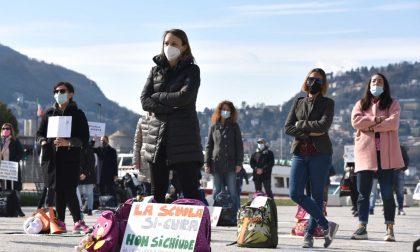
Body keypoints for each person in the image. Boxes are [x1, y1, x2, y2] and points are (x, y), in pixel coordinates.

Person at [140, 28, 203, 203]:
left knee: (189, 190)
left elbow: (184, 98)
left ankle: (196, 228)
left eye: (174, 43)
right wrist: (171, 107)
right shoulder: (155, 71)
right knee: (157, 192)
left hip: (184, 139)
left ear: (184, 46)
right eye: (166, 43)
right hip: (157, 139)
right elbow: (145, 101)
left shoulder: (192, 71)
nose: (169, 47)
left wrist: (158, 97)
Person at [284, 68, 338, 248]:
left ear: (323, 84)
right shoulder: (298, 101)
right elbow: (288, 127)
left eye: (318, 80)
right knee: (295, 193)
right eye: (311, 78)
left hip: (320, 154)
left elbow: (324, 126)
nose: (313, 82)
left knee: (316, 196)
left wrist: (302, 125)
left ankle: (309, 235)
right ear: (306, 80)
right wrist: (310, 132)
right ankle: (326, 225)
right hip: (300, 152)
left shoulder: (328, 103)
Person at [350, 73, 405, 242]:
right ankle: (362, 227)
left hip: (386, 156)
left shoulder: (393, 103)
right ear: (369, 84)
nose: (376, 83)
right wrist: (378, 120)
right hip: (365, 155)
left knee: (388, 194)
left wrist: (371, 126)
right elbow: (356, 121)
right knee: (363, 194)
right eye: (374, 81)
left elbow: (393, 123)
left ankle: (389, 228)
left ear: (385, 85)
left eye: (380, 81)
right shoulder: (360, 104)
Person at [36, 81, 91, 233]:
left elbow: (84, 137)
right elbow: (39, 134)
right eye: (56, 91)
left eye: (62, 91)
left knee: (69, 188)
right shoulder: (49, 114)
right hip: (52, 158)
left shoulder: (78, 114)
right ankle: (60, 221)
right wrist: (43, 142)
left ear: (71, 94)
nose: (58, 94)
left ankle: (78, 221)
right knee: (58, 189)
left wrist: (69, 142)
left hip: (70, 157)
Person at [204, 100, 244, 214]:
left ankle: (235, 214)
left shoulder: (235, 127)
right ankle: (214, 215)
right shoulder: (213, 127)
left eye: (228, 110)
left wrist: (239, 163)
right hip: (216, 163)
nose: (225, 112)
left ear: (231, 112)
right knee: (216, 190)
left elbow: (239, 146)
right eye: (224, 109)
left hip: (231, 164)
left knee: (232, 191)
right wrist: (207, 163)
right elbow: (209, 146)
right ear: (219, 111)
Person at [0, 122, 25, 217]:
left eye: (7, 128)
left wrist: (13, 162)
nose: (5, 130)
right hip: (2, 169)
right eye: (3, 128)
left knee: (14, 190)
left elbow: (20, 153)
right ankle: (3, 210)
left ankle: (18, 210)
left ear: (11, 131)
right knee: (2, 190)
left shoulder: (15, 141)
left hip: (11, 169)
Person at [132, 116, 151, 195]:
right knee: (147, 192)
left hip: (161, 160)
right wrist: (136, 161)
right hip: (145, 160)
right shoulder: (142, 120)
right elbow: (137, 142)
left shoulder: (165, 117)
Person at [77, 141, 96, 216]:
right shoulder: (76, 148)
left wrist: (85, 173)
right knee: (79, 193)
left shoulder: (88, 148)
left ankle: (90, 209)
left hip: (88, 174)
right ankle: (78, 208)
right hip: (78, 174)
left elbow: (91, 162)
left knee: (89, 193)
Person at [394, 145, 409, 215]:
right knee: (388, 191)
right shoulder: (386, 146)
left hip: (399, 171)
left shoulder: (401, 148)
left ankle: (400, 208)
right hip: (388, 172)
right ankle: (387, 209)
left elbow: (406, 159)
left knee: (400, 191)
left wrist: (403, 169)